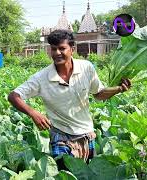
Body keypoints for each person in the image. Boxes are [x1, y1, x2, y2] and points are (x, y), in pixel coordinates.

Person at [8, 29, 131, 169]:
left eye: (62, 48)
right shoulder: (41, 78)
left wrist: (119, 89)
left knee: (87, 175)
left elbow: (98, 94)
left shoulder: (86, 68)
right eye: (53, 49)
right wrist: (33, 113)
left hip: (86, 134)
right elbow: (13, 96)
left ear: (72, 49)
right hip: (60, 136)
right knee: (64, 176)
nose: (57, 53)